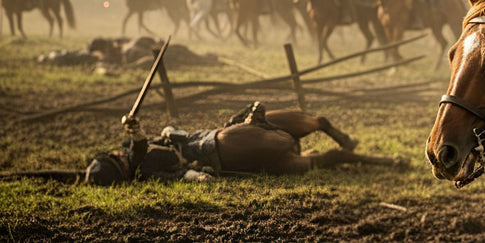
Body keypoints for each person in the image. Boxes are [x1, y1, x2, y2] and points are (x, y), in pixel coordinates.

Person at [83, 101, 400, 185]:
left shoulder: (136, 159)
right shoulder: (141, 168)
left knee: (318, 158)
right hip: (211, 148)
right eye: (115, 159)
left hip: (207, 142)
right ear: (119, 169)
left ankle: (353, 146)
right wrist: (137, 132)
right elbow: (152, 157)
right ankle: (380, 161)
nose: (117, 155)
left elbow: (153, 143)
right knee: (320, 160)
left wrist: (164, 132)